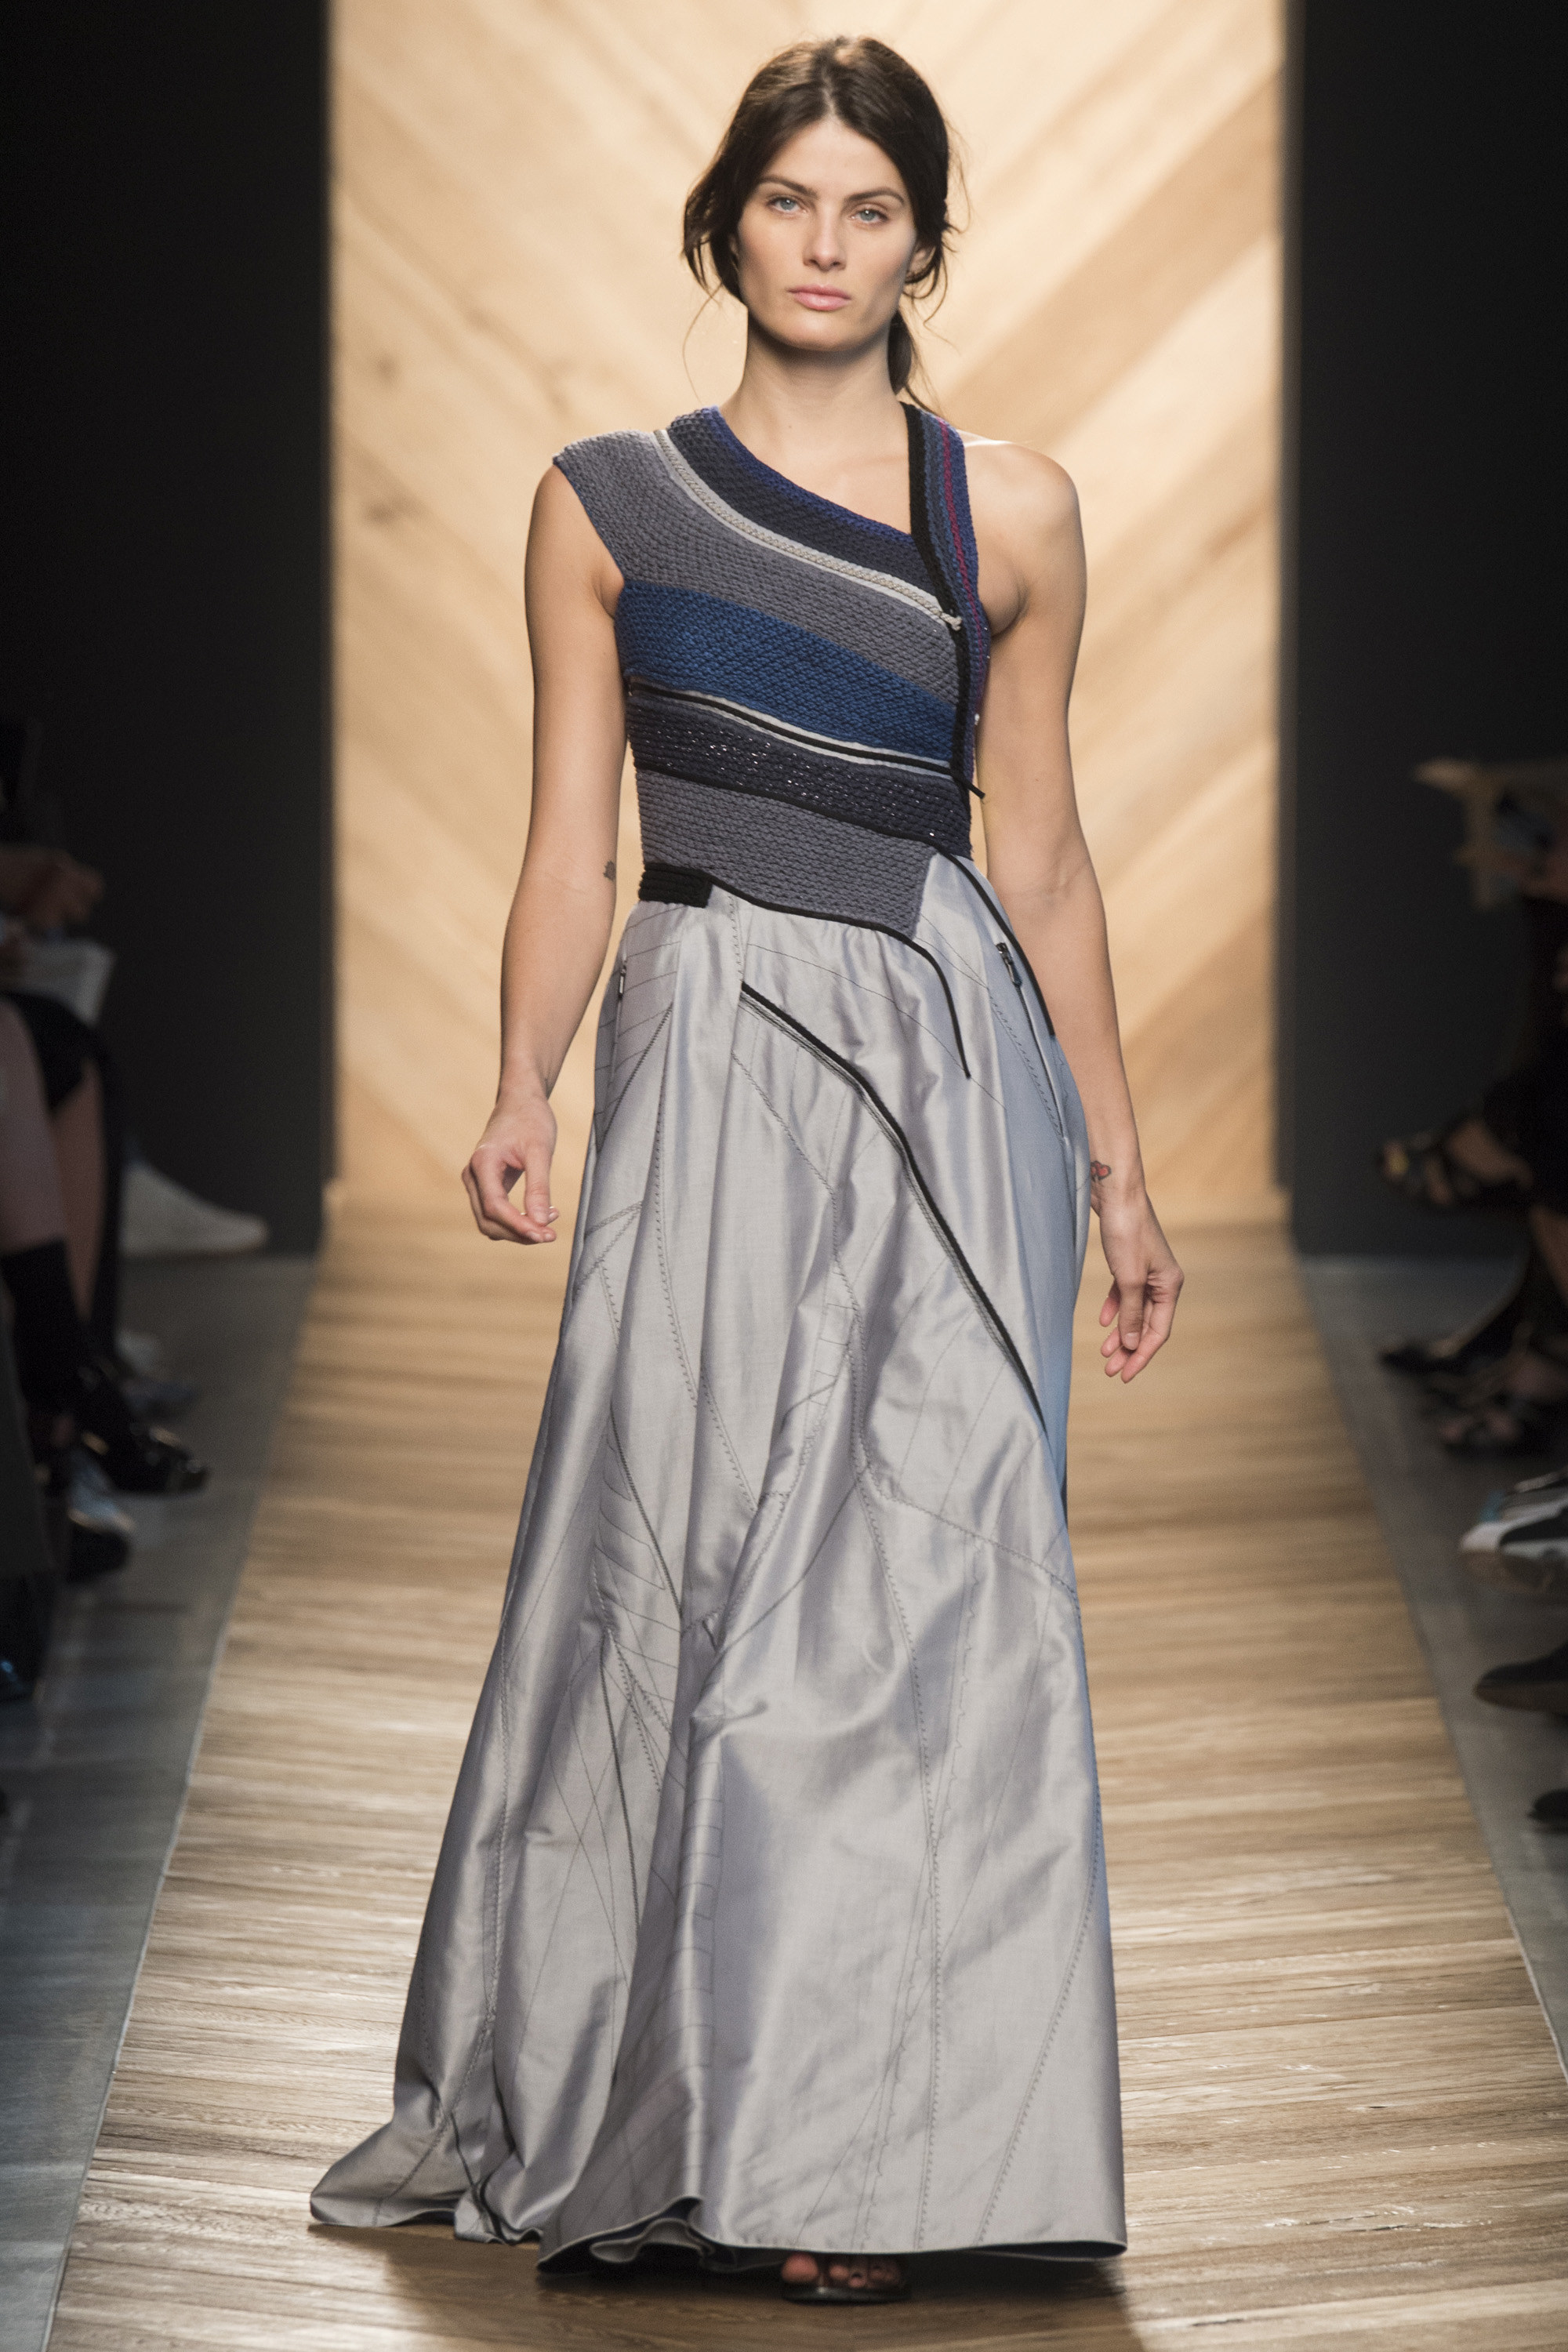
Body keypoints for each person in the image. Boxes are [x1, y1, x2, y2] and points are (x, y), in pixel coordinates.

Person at [313, 37, 1181, 2305]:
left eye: (869, 208)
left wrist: (1119, 1170)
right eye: (789, 200)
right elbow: (568, 840)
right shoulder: (604, 502)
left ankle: (864, 2147)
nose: (824, 243)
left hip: (943, 1056)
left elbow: (1046, 853)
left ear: (921, 241)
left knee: (916, 1584)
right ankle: (698, 2105)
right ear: (727, 223)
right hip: (703, 1054)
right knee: (683, 1567)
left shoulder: (1010, 512)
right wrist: (521, 1080)